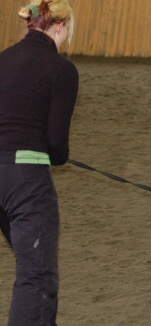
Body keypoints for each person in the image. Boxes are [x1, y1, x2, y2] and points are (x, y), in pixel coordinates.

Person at [0, 0, 78, 324]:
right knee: (37, 278)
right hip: (25, 182)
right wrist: (58, 154)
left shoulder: (2, 59)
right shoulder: (62, 69)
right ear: (58, 27)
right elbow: (57, 145)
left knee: (33, 265)